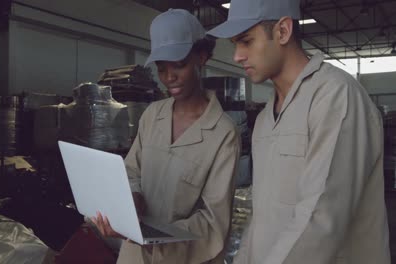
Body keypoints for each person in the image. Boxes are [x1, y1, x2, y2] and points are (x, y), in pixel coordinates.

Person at [207, 0, 391, 263]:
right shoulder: (264, 121)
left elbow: (321, 219)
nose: (237, 56)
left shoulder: (335, 97)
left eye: (246, 41)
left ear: (283, 31)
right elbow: (260, 219)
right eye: (235, 44)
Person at [91, 9, 240, 264]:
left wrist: (153, 238)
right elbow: (131, 172)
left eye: (179, 65)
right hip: (134, 256)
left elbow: (213, 222)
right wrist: (131, 200)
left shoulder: (223, 134)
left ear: (201, 57)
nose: (169, 77)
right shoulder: (152, 115)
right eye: (161, 68)